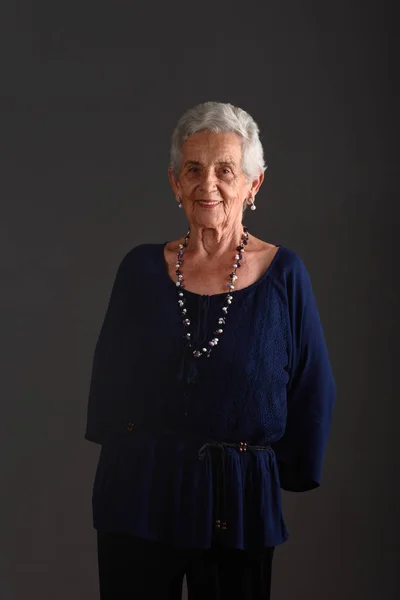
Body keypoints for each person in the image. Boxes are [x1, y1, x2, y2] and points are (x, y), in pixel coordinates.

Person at [85, 101, 336, 599]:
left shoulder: (285, 274)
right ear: (175, 182)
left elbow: (313, 385)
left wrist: (269, 471)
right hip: (140, 489)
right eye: (193, 170)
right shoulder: (139, 270)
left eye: (225, 170)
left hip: (238, 498)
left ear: (253, 184)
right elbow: (108, 377)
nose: (208, 185)